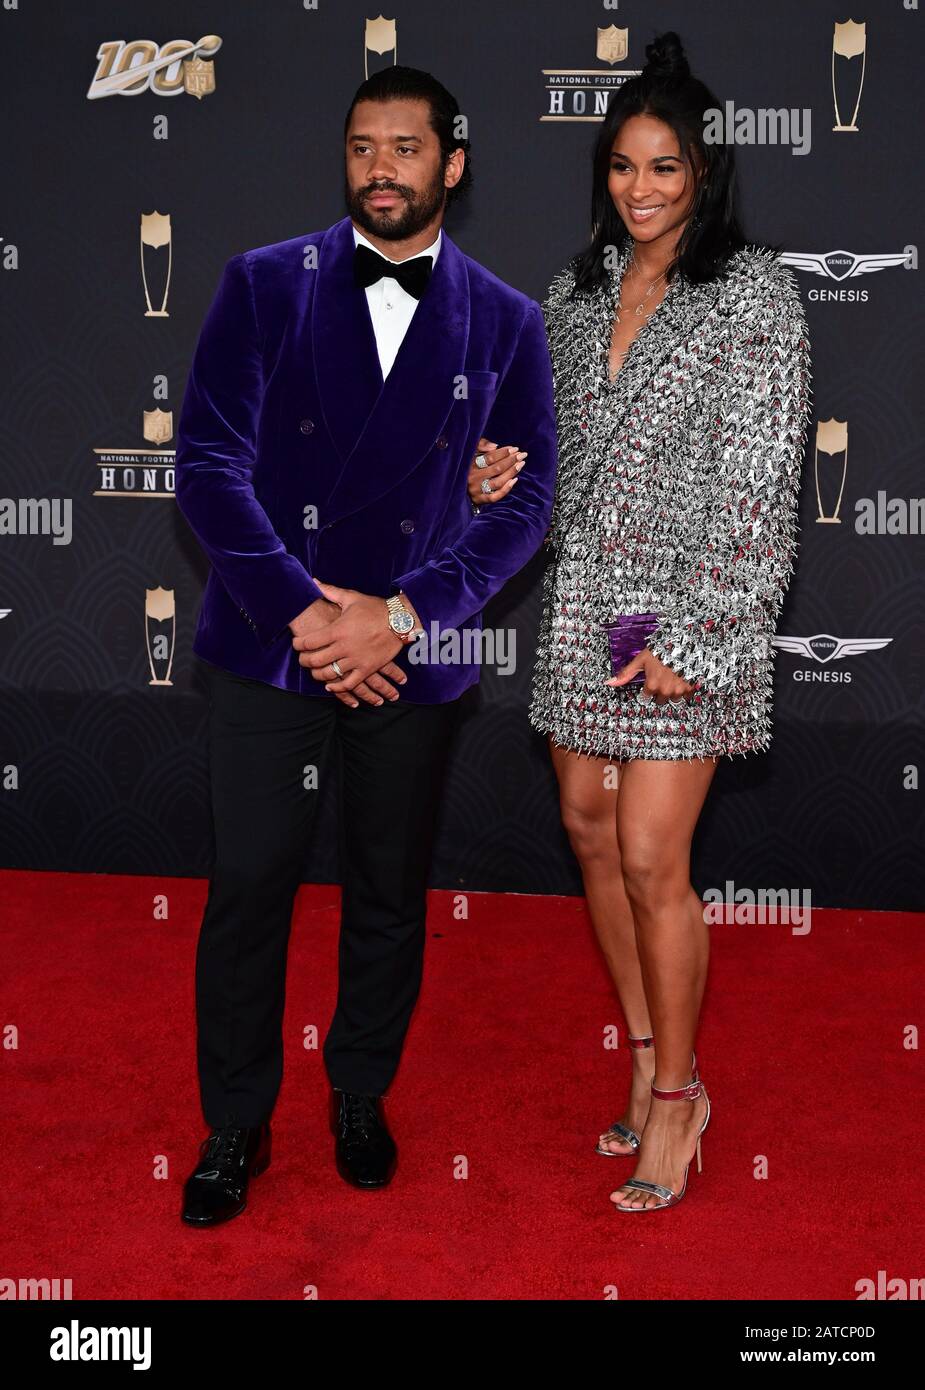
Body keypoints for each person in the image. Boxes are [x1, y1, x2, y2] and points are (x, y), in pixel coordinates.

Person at [174, 64, 556, 1224]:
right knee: (248, 887)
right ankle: (235, 1121)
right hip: (269, 645)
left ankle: (358, 1093)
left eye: (404, 147)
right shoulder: (261, 284)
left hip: (409, 655)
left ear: (453, 162)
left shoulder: (504, 319)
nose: (380, 168)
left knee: (388, 892)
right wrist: (308, 613)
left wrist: (390, 617)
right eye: (360, 147)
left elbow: (525, 503)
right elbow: (204, 467)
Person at [476, 31, 812, 1211]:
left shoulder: (754, 292)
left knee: (650, 852)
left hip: (676, 609)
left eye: (664, 168)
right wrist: (506, 478)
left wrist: (702, 637)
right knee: (585, 825)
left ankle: (679, 1098)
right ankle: (636, 1052)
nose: (641, 189)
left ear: (705, 173)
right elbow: (562, 457)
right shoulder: (573, 290)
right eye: (622, 166)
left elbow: (761, 480)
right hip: (589, 606)